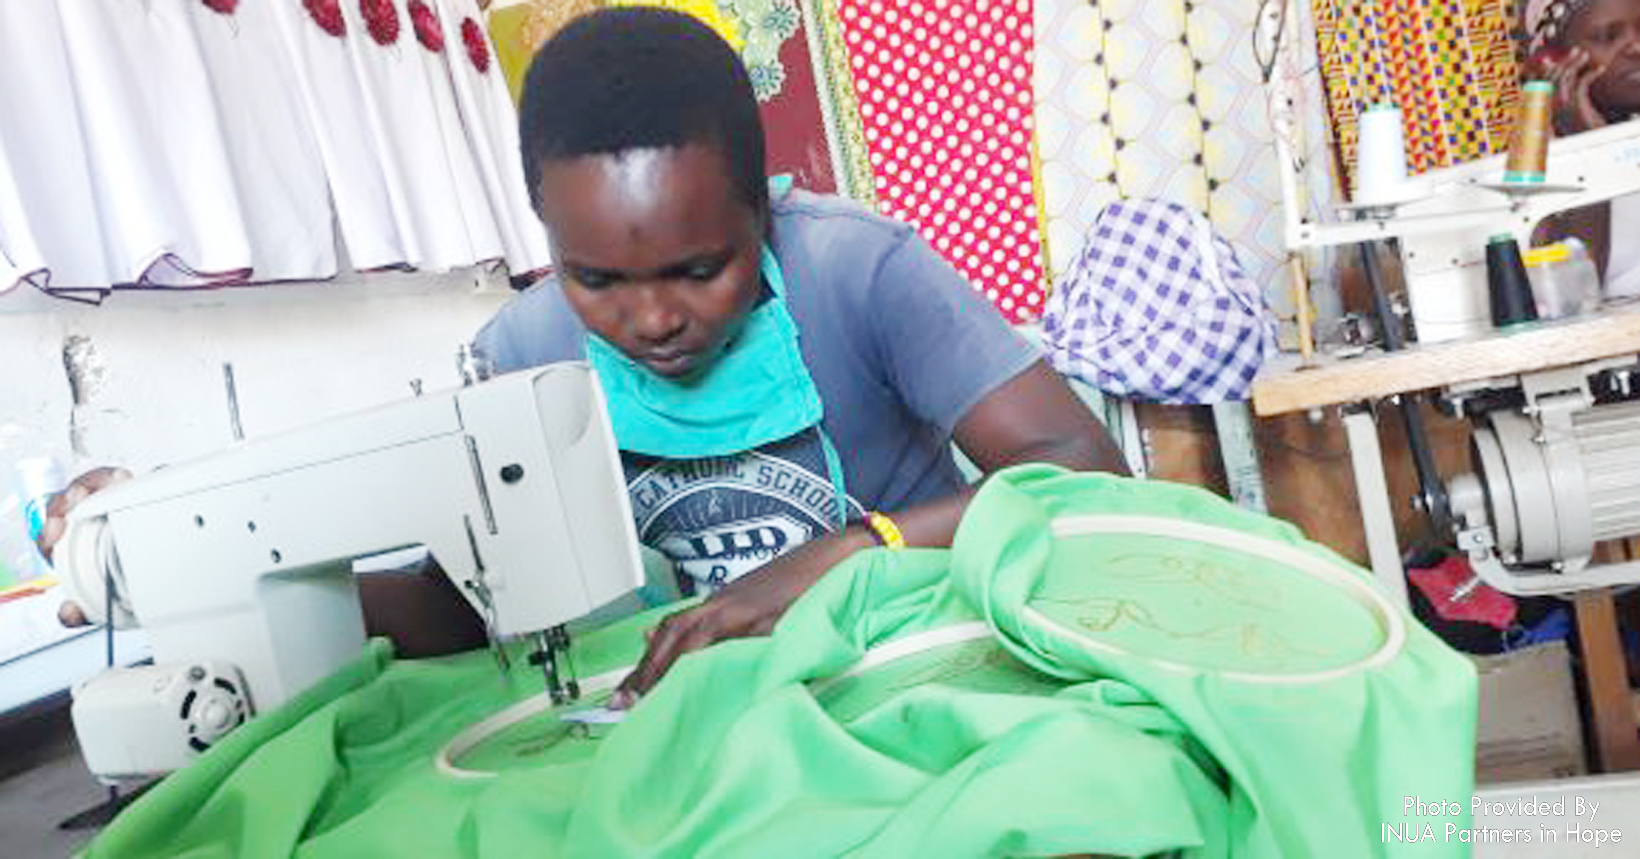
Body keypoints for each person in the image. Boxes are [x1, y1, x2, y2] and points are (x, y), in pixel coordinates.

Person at [39, 7, 1126, 707]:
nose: (651, 319)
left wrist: (845, 550)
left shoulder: (859, 273)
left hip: (917, 671)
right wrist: (205, 563)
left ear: (765, 209)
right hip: (700, 704)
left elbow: (1083, 470)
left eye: (700, 267)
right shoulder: (521, 348)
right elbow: (471, 603)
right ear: (546, 244)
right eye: (596, 278)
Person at [1524, 0, 1640, 297]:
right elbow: (1570, 300)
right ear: (1553, 60)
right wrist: (1587, 149)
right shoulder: (1529, 164)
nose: (1635, 48)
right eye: (1607, 37)